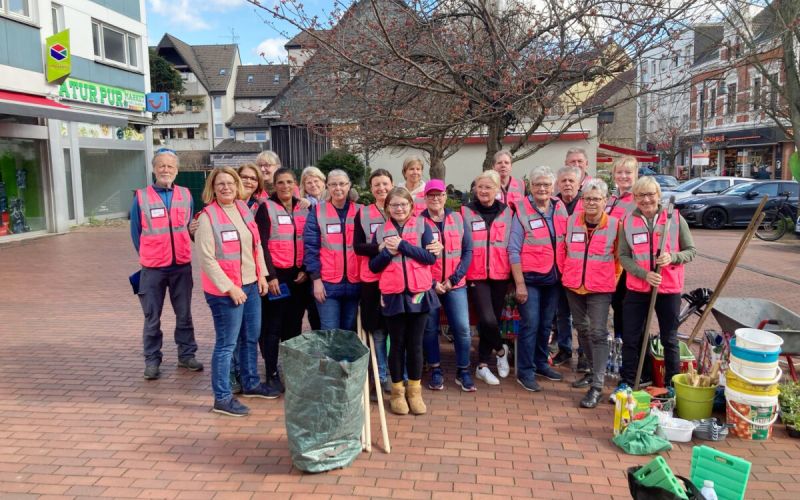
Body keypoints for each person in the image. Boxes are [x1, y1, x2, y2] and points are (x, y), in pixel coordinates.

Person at [196, 167, 276, 417]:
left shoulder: (243, 209)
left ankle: (250, 382)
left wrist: (261, 274)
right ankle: (222, 397)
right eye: (220, 184)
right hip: (225, 293)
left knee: (251, 337)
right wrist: (230, 288)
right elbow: (207, 260)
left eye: (230, 182)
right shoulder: (207, 217)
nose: (226, 187)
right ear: (213, 187)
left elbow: (257, 244)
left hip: (251, 285)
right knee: (226, 344)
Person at [618, 176, 696, 391]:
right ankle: (628, 381)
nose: (646, 199)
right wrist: (644, 274)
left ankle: (672, 385)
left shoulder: (675, 219)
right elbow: (623, 256)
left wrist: (673, 257)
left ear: (658, 195)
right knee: (631, 337)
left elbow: (691, 251)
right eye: (641, 195)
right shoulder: (628, 221)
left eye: (650, 194)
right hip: (638, 288)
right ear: (634, 198)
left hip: (668, 288)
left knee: (669, 339)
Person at [130, 148, 202, 380]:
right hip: (153, 269)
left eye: (170, 166)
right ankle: (152, 360)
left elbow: (190, 226)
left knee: (184, 315)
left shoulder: (186, 194)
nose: (165, 170)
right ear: (153, 168)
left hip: (181, 265)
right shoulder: (141, 197)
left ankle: (186, 355)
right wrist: (149, 255)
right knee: (152, 317)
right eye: (161, 165)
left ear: (177, 170)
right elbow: (136, 232)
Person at [369, 187, 438, 415]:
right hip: (393, 295)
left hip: (419, 293)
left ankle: (414, 392)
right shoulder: (380, 231)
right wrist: (388, 253)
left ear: (411, 205)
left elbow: (430, 257)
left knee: (415, 344)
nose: (399, 209)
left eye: (403, 204)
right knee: (397, 344)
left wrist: (402, 246)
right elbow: (373, 266)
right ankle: (397, 392)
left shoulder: (423, 226)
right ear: (387, 207)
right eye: (394, 205)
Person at [557, 179, 621, 408]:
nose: (591, 203)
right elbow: (562, 248)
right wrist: (566, 272)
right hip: (573, 284)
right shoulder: (573, 220)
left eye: (596, 199)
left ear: (605, 201)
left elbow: (618, 257)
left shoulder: (615, 225)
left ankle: (597, 386)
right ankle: (594, 373)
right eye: (587, 199)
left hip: (600, 288)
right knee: (582, 329)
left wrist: (610, 278)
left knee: (598, 332)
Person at [509, 167, 568, 392]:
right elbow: (513, 249)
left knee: (545, 325)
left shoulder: (559, 207)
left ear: (552, 187)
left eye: (546, 184)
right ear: (530, 187)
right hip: (530, 279)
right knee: (530, 325)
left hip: (553, 278)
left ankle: (541, 363)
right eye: (537, 185)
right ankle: (525, 371)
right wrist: (520, 283)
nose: (542, 188)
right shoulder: (521, 210)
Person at [257, 167, 310, 393]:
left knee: (294, 326)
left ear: (295, 183)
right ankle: (272, 372)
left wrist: (306, 269)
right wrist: (270, 277)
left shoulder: (304, 208)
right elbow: (261, 245)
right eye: (280, 182)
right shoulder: (265, 208)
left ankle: (292, 370)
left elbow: (309, 241)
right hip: (277, 277)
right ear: (274, 185)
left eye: (289, 182)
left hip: (299, 276)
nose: (285, 186)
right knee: (273, 326)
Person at [420, 179, 476, 392]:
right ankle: (435, 369)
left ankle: (463, 370)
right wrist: (433, 283)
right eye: (431, 195)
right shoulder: (418, 222)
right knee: (430, 329)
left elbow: (468, 252)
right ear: (425, 198)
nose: (435, 198)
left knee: (462, 328)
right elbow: (416, 257)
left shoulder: (459, 219)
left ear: (445, 197)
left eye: (439, 194)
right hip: (429, 285)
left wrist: (453, 279)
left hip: (456, 284)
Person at [462, 170, 512, 385]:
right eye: (480, 187)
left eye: (488, 187)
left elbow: (513, 245)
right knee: (487, 318)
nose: (483, 191)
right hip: (476, 274)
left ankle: (482, 364)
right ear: (475, 189)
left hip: (501, 273)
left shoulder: (508, 212)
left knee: (492, 319)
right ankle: (501, 350)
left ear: (498, 190)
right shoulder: (465, 212)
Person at [303, 169, 362, 330]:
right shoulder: (317, 212)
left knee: (349, 332)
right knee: (330, 331)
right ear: (327, 187)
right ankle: (330, 357)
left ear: (349, 186)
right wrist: (316, 280)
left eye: (342, 184)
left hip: (354, 282)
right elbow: (310, 248)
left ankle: (345, 357)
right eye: (333, 184)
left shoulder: (360, 211)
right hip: (327, 284)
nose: (338, 188)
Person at [354, 169, 394, 394]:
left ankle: (399, 374)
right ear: (371, 189)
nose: (381, 189)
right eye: (377, 185)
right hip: (371, 279)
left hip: (398, 278)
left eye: (385, 184)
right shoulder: (364, 213)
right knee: (377, 331)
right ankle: (381, 374)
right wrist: (378, 247)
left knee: (396, 330)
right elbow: (358, 246)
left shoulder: (402, 207)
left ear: (392, 184)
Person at [606, 156, 639, 342]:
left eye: (628, 172)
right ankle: (620, 342)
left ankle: (630, 348)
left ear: (636, 174)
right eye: (619, 172)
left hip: (630, 263)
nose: (623, 176)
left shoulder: (638, 199)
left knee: (629, 308)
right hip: (612, 263)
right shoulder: (612, 199)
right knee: (617, 304)